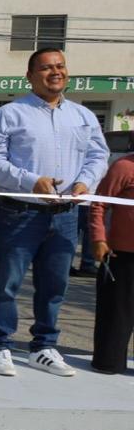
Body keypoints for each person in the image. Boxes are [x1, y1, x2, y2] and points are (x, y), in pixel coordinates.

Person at [0, 48, 108, 378]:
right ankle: (0, 346)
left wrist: (85, 182)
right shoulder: (11, 113)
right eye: (47, 67)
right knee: (7, 283)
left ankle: (43, 347)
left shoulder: (83, 116)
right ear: (30, 75)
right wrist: (31, 181)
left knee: (55, 285)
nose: (56, 72)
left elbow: (98, 156)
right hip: (20, 212)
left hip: (66, 215)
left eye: (61, 66)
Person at [89, 149, 134, 374]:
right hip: (123, 254)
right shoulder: (124, 166)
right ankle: (108, 361)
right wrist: (99, 239)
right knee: (117, 313)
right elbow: (99, 204)